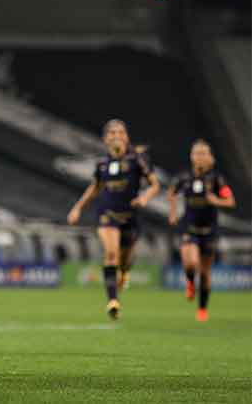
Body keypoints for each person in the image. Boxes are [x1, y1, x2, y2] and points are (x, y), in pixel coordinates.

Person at [67, 119, 160, 320]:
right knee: (111, 253)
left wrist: (144, 197)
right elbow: (95, 188)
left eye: (121, 132)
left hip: (130, 216)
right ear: (105, 138)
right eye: (112, 132)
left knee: (125, 260)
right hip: (107, 213)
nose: (116, 135)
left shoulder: (137, 160)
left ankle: (124, 273)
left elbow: (154, 185)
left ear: (126, 137)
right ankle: (113, 301)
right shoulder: (102, 164)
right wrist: (77, 208)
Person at [168, 139, 236, 321]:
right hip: (188, 227)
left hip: (209, 230)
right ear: (191, 156)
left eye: (203, 153)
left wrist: (216, 200)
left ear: (210, 157)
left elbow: (230, 201)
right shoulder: (183, 178)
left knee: (205, 272)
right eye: (196, 153)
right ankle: (190, 281)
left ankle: (202, 309)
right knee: (190, 263)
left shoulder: (216, 179)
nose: (199, 157)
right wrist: (173, 213)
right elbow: (171, 193)